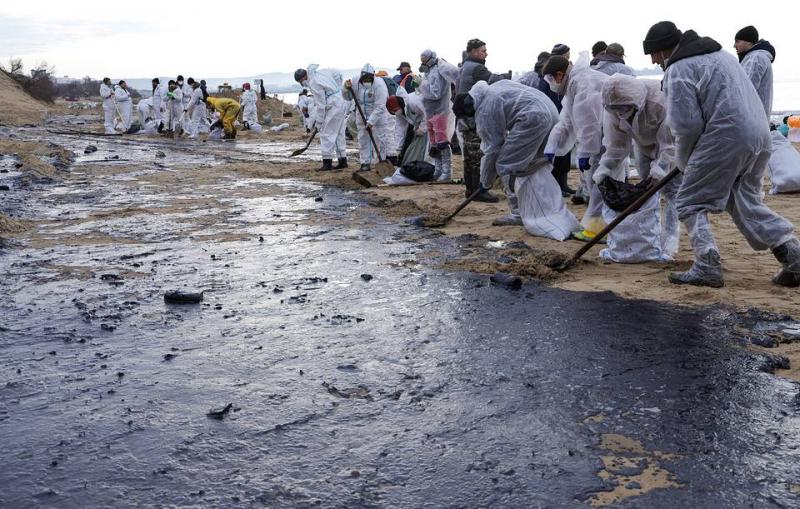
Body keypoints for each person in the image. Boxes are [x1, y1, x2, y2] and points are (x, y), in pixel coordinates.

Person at [642, 21, 800, 287]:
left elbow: (686, 125)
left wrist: (684, 160)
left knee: (689, 201)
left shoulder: (679, 69)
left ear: (661, 49)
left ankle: (706, 264)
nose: (654, 61)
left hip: (725, 137)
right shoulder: (722, 56)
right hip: (759, 135)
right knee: (744, 202)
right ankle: (794, 256)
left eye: (653, 54)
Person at [453, 80, 580, 239]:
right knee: (533, 164)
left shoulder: (485, 109)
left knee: (506, 165)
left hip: (533, 119)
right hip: (550, 113)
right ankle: (543, 206)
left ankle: (517, 213)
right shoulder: (493, 88)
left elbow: (492, 148)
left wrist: (485, 181)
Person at [595, 74, 681, 257]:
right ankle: (650, 235)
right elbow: (616, 146)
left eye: (624, 108)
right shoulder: (611, 110)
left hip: (672, 145)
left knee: (673, 191)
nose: (620, 112)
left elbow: (669, 145)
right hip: (642, 145)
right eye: (616, 109)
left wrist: (660, 169)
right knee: (648, 188)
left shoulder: (661, 101)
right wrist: (604, 168)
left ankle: (671, 240)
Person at [543, 53, 608, 241]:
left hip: (606, 138)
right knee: (596, 182)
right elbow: (566, 120)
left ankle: (598, 230)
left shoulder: (583, 82)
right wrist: (552, 146)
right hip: (601, 139)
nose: (551, 83)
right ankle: (596, 227)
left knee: (600, 181)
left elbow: (589, 123)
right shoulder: (573, 84)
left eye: (551, 78)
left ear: (560, 74)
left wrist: (586, 151)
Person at [455, 38, 509, 202]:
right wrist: (508, 76)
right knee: (478, 155)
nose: (486, 53)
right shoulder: (477, 68)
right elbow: (493, 81)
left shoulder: (464, 66)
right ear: (472, 51)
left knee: (469, 157)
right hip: (474, 117)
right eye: (482, 51)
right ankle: (479, 191)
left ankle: (470, 191)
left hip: (464, 116)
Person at [342, 64, 396, 171]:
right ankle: (365, 164)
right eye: (364, 79)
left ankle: (379, 164)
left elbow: (380, 106)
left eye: (369, 79)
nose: (366, 81)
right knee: (363, 140)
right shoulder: (355, 82)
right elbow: (347, 98)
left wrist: (371, 121)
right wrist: (345, 89)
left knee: (379, 141)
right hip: (361, 115)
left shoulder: (380, 85)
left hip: (378, 117)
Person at [294, 65, 348, 170]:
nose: (302, 84)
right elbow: (337, 73)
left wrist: (319, 123)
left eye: (301, 82)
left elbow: (321, 105)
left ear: (303, 78)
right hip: (340, 101)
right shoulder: (320, 73)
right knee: (338, 133)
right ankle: (342, 160)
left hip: (333, 105)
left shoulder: (313, 82)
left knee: (326, 134)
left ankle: (327, 163)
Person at [418, 49, 460, 182]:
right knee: (434, 142)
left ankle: (447, 172)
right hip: (430, 111)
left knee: (442, 142)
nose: (423, 63)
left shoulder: (437, 71)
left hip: (440, 111)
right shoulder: (429, 72)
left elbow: (435, 93)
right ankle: (438, 169)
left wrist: (421, 84)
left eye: (424, 60)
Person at [734, 25, 775, 119]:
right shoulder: (754, 57)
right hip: (757, 118)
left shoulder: (756, 58)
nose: (734, 45)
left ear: (748, 42)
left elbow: (746, 90)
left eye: (737, 41)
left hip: (752, 119)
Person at [387, 92, 427, 165]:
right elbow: (400, 129)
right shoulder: (400, 111)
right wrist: (399, 148)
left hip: (433, 117)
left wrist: (423, 128)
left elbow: (427, 113)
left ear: (400, 104)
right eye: (393, 112)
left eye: (396, 110)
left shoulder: (413, 103)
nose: (396, 112)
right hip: (418, 123)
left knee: (428, 147)